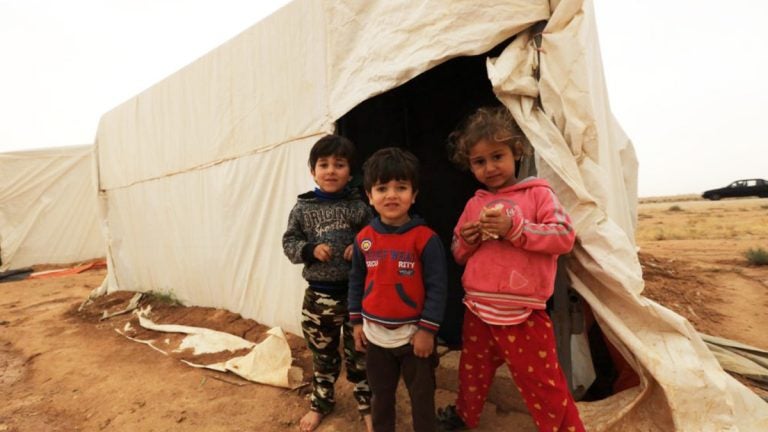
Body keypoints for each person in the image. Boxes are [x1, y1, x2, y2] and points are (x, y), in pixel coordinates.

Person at [436, 106, 585, 432]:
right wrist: (468, 239)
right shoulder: (474, 204)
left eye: (497, 156)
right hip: (477, 310)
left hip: (524, 314)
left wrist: (514, 228)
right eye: (479, 161)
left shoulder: (538, 195)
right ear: (469, 165)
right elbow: (458, 253)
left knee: (543, 384)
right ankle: (463, 418)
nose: (489, 168)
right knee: (472, 372)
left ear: (516, 151)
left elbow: (563, 237)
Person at [348, 147, 448, 432]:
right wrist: (356, 324)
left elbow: (438, 287)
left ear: (414, 195)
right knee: (381, 397)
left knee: (421, 398)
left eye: (401, 187)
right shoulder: (363, 239)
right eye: (382, 188)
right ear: (369, 195)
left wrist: (427, 331)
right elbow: (356, 282)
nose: (391, 195)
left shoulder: (425, 239)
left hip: (413, 336)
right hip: (375, 337)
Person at [282, 134, 373, 432]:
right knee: (323, 355)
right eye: (324, 164)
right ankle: (321, 402)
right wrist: (308, 250)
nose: (331, 170)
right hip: (319, 299)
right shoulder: (302, 208)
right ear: (313, 171)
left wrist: (361, 244)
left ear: (350, 172)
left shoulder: (359, 207)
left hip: (356, 297)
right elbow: (290, 242)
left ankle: (366, 405)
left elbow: (376, 234)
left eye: (340, 164)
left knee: (360, 354)